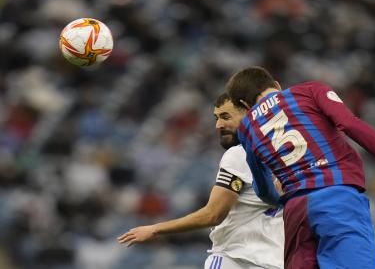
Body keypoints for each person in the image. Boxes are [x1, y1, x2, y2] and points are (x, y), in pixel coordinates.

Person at [225, 66, 375, 269]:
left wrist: (282, 199)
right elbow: (350, 124)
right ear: (277, 85)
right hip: (336, 198)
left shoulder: (246, 129)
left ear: (244, 105)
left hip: (295, 213)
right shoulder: (309, 91)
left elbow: (263, 189)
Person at [117, 93, 284, 269]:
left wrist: (155, 229)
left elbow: (213, 214)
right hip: (274, 261)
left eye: (226, 117)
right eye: (217, 118)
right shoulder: (295, 158)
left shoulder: (239, 155)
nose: (218, 125)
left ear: (247, 114)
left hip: (236, 259)